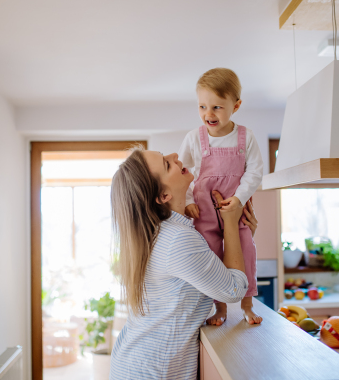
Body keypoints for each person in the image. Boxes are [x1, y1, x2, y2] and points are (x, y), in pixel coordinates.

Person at [109, 147, 258, 380]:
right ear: (163, 196)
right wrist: (231, 223)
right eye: (167, 164)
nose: (175, 157)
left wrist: (242, 235)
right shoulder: (178, 239)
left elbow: (215, 273)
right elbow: (234, 289)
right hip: (154, 372)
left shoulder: (162, 233)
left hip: (133, 364)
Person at [178, 68, 264, 325]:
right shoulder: (195, 138)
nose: (208, 114)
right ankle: (221, 308)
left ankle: (247, 305)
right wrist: (190, 202)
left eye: (216, 107)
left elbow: (255, 172)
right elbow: (183, 175)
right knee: (212, 254)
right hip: (204, 209)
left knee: (246, 250)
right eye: (202, 106)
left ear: (235, 106)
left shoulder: (245, 136)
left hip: (236, 207)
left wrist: (238, 199)